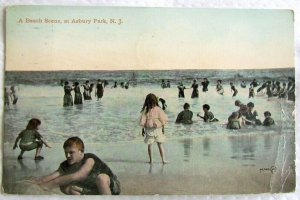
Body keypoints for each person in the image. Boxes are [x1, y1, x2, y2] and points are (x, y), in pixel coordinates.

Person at [30, 137, 120, 195]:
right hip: (91, 190)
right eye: (66, 152)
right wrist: (39, 182)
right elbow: (54, 175)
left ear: (81, 152)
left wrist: (53, 184)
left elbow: (80, 175)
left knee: (101, 178)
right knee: (65, 187)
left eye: (71, 152)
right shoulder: (66, 164)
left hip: (111, 188)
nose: (68, 156)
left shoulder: (89, 159)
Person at [139, 93, 168, 164]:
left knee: (160, 144)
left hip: (158, 128)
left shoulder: (158, 109)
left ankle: (163, 159)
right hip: (149, 129)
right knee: (150, 144)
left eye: (153, 103)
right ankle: (151, 160)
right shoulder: (146, 110)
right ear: (147, 102)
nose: (152, 105)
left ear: (155, 102)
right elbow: (143, 120)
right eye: (150, 103)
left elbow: (162, 119)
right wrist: (143, 129)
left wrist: (163, 128)